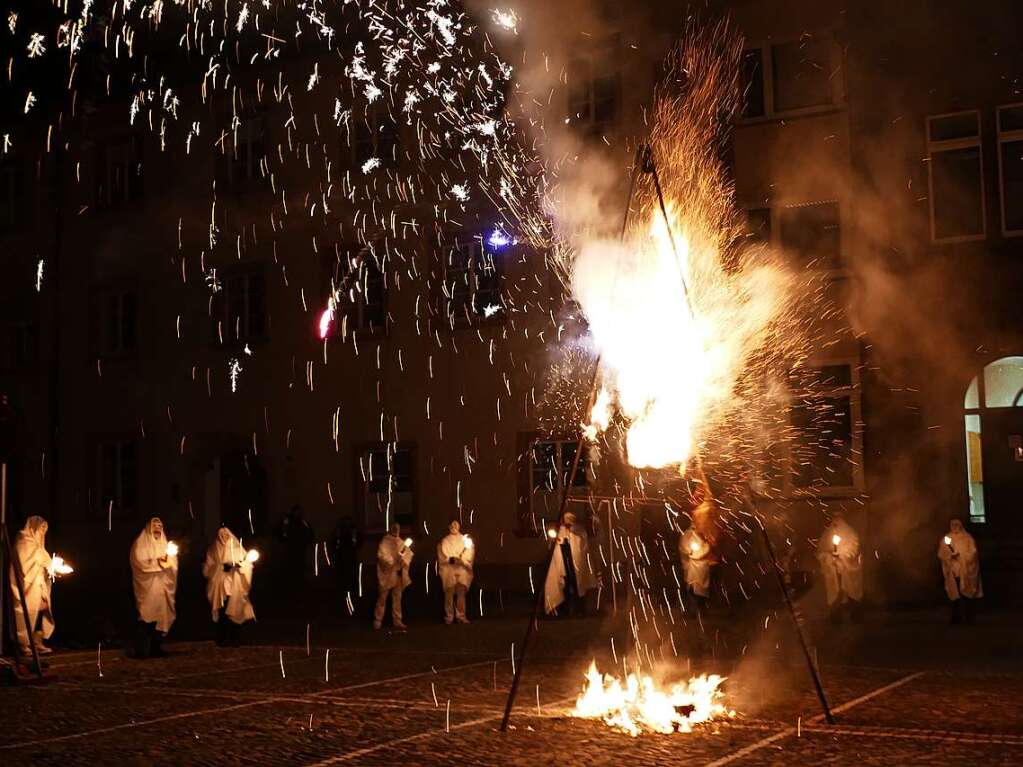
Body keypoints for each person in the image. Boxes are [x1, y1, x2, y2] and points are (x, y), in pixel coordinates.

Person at [130, 517, 178, 658]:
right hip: (148, 587)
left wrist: (167, 562)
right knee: (147, 616)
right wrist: (158, 563)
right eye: (155, 525)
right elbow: (139, 561)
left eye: (160, 525)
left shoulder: (165, 544)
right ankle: (141, 649)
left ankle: (156, 647)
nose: (157, 527)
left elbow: (172, 564)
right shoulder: (141, 543)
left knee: (160, 617)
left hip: (162, 587)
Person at [9, 516, 56, 656]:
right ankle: (23, 644)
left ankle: (37, 640)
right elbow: (25, 565)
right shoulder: (23, 542)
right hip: (28, 585)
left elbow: (45, 560)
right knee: (27, 612)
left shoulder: (37, 545)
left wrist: (52, 569)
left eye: (44, 530)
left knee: (44, 608)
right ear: (33, 528)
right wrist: (41, 563)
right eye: (40, 529)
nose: (42, 533)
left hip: (39, 583)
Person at [203, 526, 256, 646]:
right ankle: (223, 638)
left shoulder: (237, 548)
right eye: (221, 535)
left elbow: (247, 563)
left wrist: (239, 565)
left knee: (235, 610)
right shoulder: (214, 549)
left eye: (226, 535)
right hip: (221, 586)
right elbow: (208, 568)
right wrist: (221, 567)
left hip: (235, 585)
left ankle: (235, 638)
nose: (224, 537)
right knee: (223, 613)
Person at [544, 511, 596, 616]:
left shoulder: (579, 531)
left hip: (576, 565)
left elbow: (583, 548)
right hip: (563, 563)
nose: (568, 524)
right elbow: (553, 546)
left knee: (579, 587)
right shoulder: (560, 531)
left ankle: (579, 609)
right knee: (564, 587)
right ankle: (564, 609)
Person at [817, 512, 863, 622]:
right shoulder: (827, 534)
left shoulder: (850, 533)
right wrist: (828, 557)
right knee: (836, 594)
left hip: (846, 570)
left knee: (847, 592)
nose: (836, 522)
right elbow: (821, 551)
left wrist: (842, 556)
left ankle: (852, 612)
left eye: (838, 518)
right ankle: (836, 613)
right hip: (833, 570)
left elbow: (853, 551)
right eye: (834, 518)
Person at [938, 519, 982, 624]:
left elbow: (973, 552)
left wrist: (961, 556)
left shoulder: (967, 538)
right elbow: (941, 553)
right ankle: (955, 618)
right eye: (953, 525)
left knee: (966, 595)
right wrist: (950, 556)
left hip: (965, 572)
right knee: (955, 596)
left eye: (957, 525)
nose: (955, 526)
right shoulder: (947, 538)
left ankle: (969, 618)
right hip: (953, 573)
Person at [374, 523, 412, 630]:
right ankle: (378, 619)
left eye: (397, 528)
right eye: (394, 528)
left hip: (398, 574)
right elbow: (382, 556)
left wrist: (403, 560)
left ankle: (397, 620)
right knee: (383, 597)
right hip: (388, 574)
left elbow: (407, 556)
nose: (395, 530)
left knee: (397, 598)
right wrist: (392, 560)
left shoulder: (401, 542)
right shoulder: (385, 542)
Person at [437, 520, 474, 624]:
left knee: (460, 594)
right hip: (449, 571)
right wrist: (451, 559)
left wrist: (462, 560)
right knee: (449, 594)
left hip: (461, 570)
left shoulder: (464, 540)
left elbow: (469, 554)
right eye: (452, 524)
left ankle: (461, 616)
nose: (454, 526)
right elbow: (443, 556)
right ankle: (449, 616)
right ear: (449, 526)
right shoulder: (445, 541)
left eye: (456, 524)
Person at [678, 525, 713, 612]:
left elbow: (707, 547)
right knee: (692, 586)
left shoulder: (705, 535)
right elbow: (684, 548)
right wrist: (690, 552)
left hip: (702, 567)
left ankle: (701, 609)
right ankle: (692, 609)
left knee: (701, 589)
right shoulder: (688, 535)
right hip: (693, 566)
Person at [331, 513, 362, 604]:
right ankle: (344, 593)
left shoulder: (353, 531)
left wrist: (354, 542)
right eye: (346, 522)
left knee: (351, 574)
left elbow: (358, 541)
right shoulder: (339, 530)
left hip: (350, 556)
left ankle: (351, 593)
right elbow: (334, 542)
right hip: (342, 556)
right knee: (343, 575)